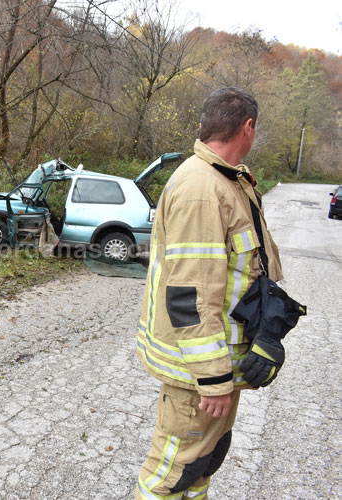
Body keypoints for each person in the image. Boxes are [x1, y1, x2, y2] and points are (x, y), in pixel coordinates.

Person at [135, 87, 283, 499]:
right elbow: (189, 296)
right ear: (248, 127)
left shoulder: (228, 181)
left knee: (202, 466)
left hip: (219, 363)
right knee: (170, 476)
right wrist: (214, 378)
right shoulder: (202, 189)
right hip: (199, 373)